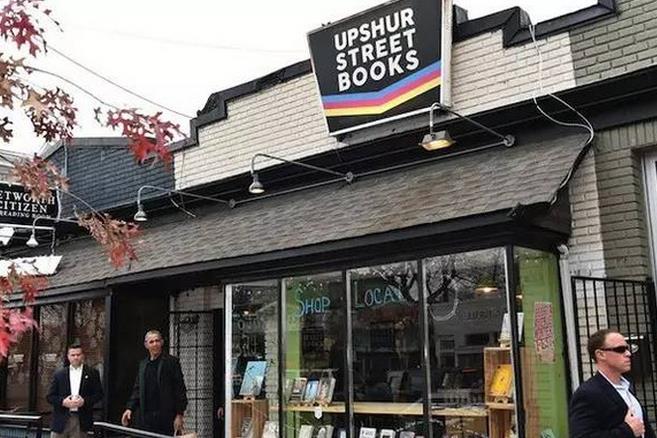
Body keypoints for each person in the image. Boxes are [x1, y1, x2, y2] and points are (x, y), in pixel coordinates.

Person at [569, 328, 656, 438]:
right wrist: (627, 430)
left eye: (628, 348)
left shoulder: (626, 388)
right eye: (620, 349)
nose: (628, 353)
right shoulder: (588, 393)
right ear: (600, 354)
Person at [121, 330, 188, 435]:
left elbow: (180, 389)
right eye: (151, 342)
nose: (155, 344)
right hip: (146, 417)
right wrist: (129, 408)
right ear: (146, 345)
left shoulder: (171, 362)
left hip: (166, 417)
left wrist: (179, 414)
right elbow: (137, 389)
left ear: (162, 342)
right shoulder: (143, 365)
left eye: (157, 341)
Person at [46, 342, 103, 438]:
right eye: (73, 355)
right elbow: (50, 396)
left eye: (78, 355)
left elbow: (99, 395)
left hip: (81, 420)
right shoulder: (59, 374)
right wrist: (63, 402)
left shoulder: (92, 373)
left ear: (82, 356)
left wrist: (84, 401)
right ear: (68, 357)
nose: (76, 357)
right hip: (61, 420)